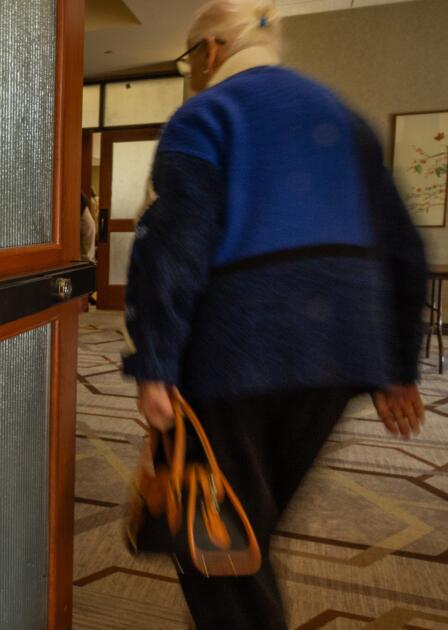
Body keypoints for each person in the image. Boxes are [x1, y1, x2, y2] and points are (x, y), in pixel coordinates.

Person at [121, 1, 428, 628]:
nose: (192, 71)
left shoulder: (207, 114)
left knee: (216, 543)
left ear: (210, 51)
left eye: (188, 59)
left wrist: (156, 363)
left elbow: (175, 246)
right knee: (245, 521)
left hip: (238, 348)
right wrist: (397, 367)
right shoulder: (345, 117)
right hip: (342, 356)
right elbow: (404, 247)